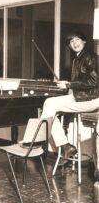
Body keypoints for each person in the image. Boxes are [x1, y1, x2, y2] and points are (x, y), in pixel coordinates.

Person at [40, 30, 99, 166]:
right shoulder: (78, 59)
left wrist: (68, 84)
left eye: (77, 40)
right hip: (83, 98)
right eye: (71, 42)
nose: (75, 43)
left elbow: (93, 82)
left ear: (84, 41)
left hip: (91, 100)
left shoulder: (90, 57)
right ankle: (65, 146)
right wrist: (68, 86)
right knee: (49, 107)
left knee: (49, 105)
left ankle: (63, 145)